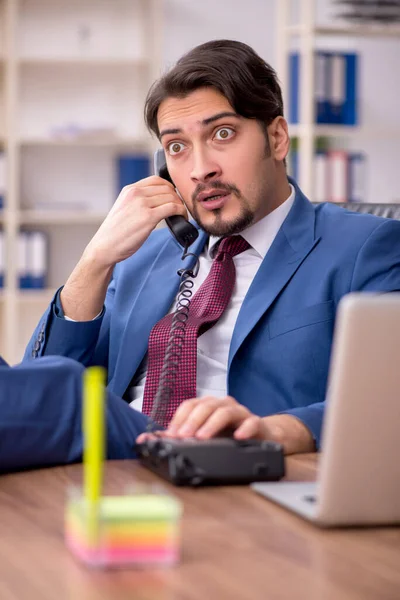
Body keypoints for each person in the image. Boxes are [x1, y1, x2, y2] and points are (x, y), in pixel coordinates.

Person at [23, 39, 400, 461]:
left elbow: (390, 399)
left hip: (245, 474)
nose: (201, 169)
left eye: (222, 134)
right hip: (123, 465)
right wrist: (94, 262)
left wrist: (277, 430)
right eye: (177, 147)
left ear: (276, 138)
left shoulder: (366, 247)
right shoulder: (144, 258)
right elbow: (42, 392)